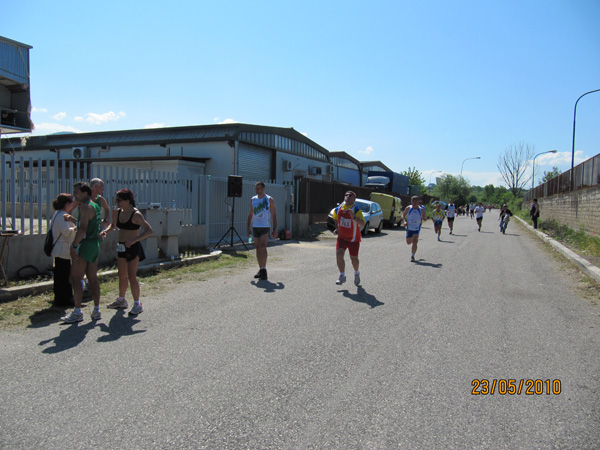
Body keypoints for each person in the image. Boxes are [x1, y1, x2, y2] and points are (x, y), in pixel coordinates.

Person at [102, 189, 153, 315]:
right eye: (116, 200)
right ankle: (121, 299)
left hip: (133, 247)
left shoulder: (136, 215)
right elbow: (113, 226)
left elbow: (149, 230)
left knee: (131, 275)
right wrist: (105, 232)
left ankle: (137, 304)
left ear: (127, 200)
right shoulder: (118, 212)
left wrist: (134, 240)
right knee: (121, 274)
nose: (117, 202)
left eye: (119, 200)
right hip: (121, 246)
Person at [60, 182, 102, 323]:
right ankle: (96, 309)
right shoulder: (94, 205)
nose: (74, 195)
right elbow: (86, 223)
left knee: (76, 278)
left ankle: (77, 312)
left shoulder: (84, 207)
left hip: (84, 244)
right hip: (94, 244)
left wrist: (74, 245)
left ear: (85, 193)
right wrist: (73, 219)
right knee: (92, 278)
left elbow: (83, 228)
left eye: (77, 192)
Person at [332, 191, 365, 286]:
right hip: (342, 237)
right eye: (346, 195)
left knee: (354, 258)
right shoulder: (338, 209)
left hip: (353, 239)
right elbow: (335, 218)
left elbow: (362, 223)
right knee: (339, 254)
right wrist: (337, 228)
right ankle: (342, 276)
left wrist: (353, 217)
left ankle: (356, 273)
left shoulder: (356, 210)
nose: (348, 196)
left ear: (354, 199)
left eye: (350, 195)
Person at [247, 181, 277, 281]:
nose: (257, 190)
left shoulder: (269, 199)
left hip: (265, 226)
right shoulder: (253, 199)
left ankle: (264, 269)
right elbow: (251, 214)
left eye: (258, 188)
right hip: (255, 227)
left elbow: (274, 215)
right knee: (258, 248)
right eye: (256, 189)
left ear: (263, 189)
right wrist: (248, 228)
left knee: (263, 247)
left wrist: (275, 229)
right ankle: (260, 268)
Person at [50, 193, 77, 307]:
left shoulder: (57, 214)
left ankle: (60, 297)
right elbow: (66, 232)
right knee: (64, 275)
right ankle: (65, 299)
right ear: (66, 203)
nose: (72, 204)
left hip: (59, 249)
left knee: (60, 275)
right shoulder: (62, 215)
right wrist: (76, 227)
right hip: (63, 249)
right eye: (71, 202)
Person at [403, 195, 427, 262]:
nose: (414, 203)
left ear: (418, 202)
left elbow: (425, 217)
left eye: (416, 201)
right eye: (413, 201)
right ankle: (412, 240)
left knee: (415, 241)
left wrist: (425, 218)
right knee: (408, 242)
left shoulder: (421, 210)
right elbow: (403, 215)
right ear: (411, 201)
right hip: (409, 227)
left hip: (416, 228)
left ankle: (412, 255)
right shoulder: (408, 208)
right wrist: (404, 221)